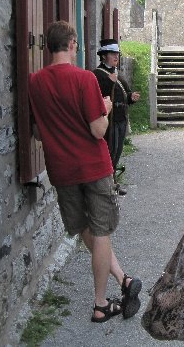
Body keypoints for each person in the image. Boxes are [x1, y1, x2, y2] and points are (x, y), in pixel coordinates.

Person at [29, 21, 142, 323]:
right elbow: (97, 130)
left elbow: (38, 133)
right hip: (93, 166)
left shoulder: (35, 82)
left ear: (47, 46)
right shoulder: (84, 79)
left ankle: (124, 280)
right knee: (101, 230)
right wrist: (104, 108)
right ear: (72, 44)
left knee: (85, 229)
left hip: (61, 170)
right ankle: (101, 304)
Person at [93, 39, 140, 196]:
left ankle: (112, 182)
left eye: (117, 54)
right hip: (109, 122)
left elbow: (122, 94)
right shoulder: (98, 74)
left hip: (120, 120)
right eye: (113, 54)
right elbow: (98, 96)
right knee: (109, 153)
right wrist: (108, 82)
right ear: (104, 56)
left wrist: (130, 97)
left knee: (117, 152)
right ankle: (107, 185)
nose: (116, 57)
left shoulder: (115, 73)